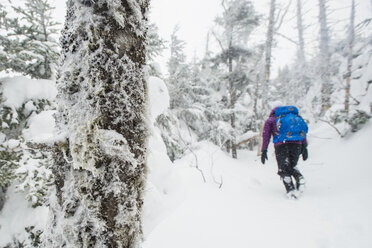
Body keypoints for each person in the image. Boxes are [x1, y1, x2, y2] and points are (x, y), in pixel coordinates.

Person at [260, 101, 308, 198]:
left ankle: (290, 190)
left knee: (283, 169)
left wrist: (264, 150)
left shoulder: (271, 120)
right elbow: (302, 132)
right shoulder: (295, 117)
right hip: (297, 144)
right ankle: (299, 177)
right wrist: (304, 146)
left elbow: (266, 136)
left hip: (281, 145)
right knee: (292, 166)